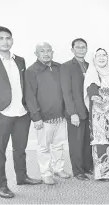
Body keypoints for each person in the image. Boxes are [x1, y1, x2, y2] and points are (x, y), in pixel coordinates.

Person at [0, 26, 42, 198]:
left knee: (20, 149)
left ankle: (22, 177)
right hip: (2, 114)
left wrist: (31, 111)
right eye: (1, 38)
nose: (5, 41)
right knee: (0, 151)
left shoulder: (20, 60)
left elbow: (25, 87)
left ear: (12, 40)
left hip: (22, 113)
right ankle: (1, 186)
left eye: (8, 38)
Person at [25, 42, 71, 185]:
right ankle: (46, 173)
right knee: (44, 147)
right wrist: (36, 117)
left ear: (53, 52)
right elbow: (29, 96)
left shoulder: (59, 67)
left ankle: (59, 168)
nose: (46, 53)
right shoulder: (31, 71)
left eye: (48, 50)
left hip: (60, 115)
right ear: (36, 54)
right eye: (42, 51)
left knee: (58, 145)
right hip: (43, 118)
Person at [84, 48, 109, 181]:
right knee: (102, 142)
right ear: (94, 58)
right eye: (98, 55)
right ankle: (104, 173)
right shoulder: (92, 73)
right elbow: (92, 92)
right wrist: (104, 102)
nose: (102, 58)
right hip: (100, 116)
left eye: (104, 55)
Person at [61, 38, 94, 181]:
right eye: (78, 47)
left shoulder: (89, 66)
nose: (81, 49)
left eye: (83, 47)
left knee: (87, 141)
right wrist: (72, 113)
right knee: (76, 143)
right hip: (75, 112)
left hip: (89, 111)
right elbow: (66, 92)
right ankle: (78, 171)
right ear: (72, 50)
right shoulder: (66, 66)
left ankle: (87, 167)